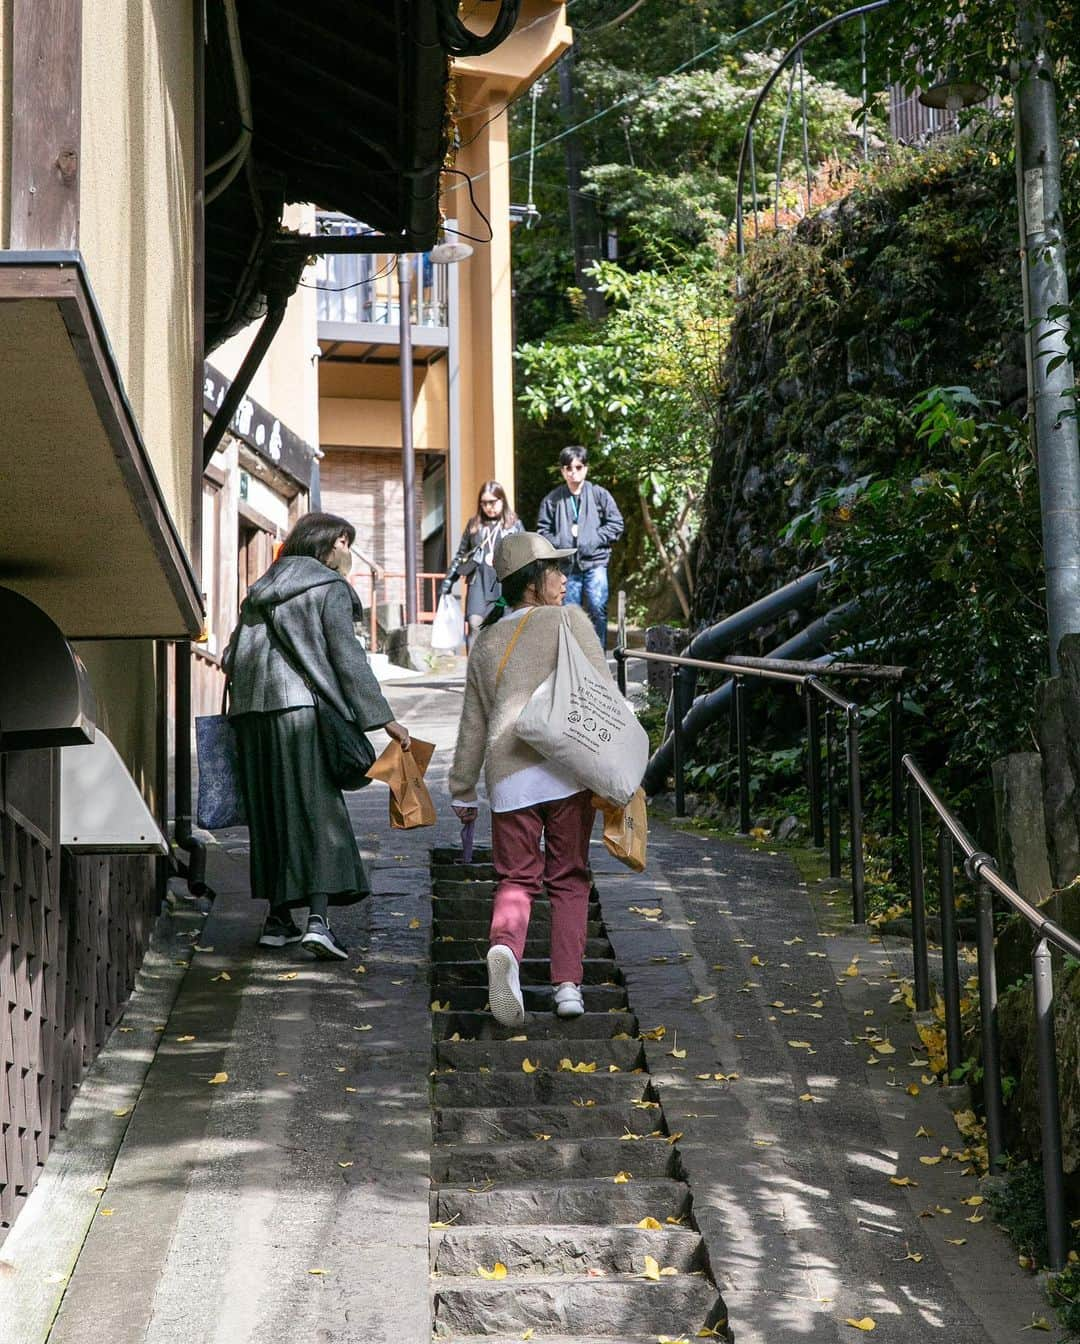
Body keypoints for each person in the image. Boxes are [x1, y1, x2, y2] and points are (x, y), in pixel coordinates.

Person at [224, 512, 412, 960]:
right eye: (349, 546)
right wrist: (384, 719)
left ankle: (276, 920)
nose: (350, 557)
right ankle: (318, 922)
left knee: (270, 812)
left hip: (251, 713)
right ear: (337, 542)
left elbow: (234, 655)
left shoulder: (262, 588)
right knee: (317, 812)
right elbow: (347, 658)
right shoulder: (328, 587)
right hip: (299, 713)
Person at [449, 532, 618, 1026]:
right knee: (568, 878)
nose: (564, 578)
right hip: (568, 773)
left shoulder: (488, 640)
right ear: (531, 582)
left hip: (509, 779)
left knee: (517, 879)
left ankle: (506, 949)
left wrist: (463, 788)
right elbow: (603, 698)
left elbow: (473, 723)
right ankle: (567, 987)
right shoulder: (571, 622)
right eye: (554, 570)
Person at [536, 445, 624, 649]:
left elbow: (616, 524)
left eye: (578, 466)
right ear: (562, 471)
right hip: (566, 566)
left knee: (597, 609)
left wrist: (594, 539)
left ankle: (598, 658)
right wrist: (561, 543)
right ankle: (574, 661)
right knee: (569, 613)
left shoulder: (599, 494)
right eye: (568, 468)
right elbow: (542, 531)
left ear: (586, 468)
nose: (573, 472)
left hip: (595, 562)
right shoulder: (553, 499)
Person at [440, 481, 524, 642]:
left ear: (502, 500)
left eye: (493, 502)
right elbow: (461, 554)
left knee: (503, 627)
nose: (489, 507)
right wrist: (449, 580)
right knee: (475, 623)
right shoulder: (474, 525)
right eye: (484, 503)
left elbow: (524, 554)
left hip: (503, 583)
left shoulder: (514, 524)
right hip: (478, 580)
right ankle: (473, 666)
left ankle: (499, 667)